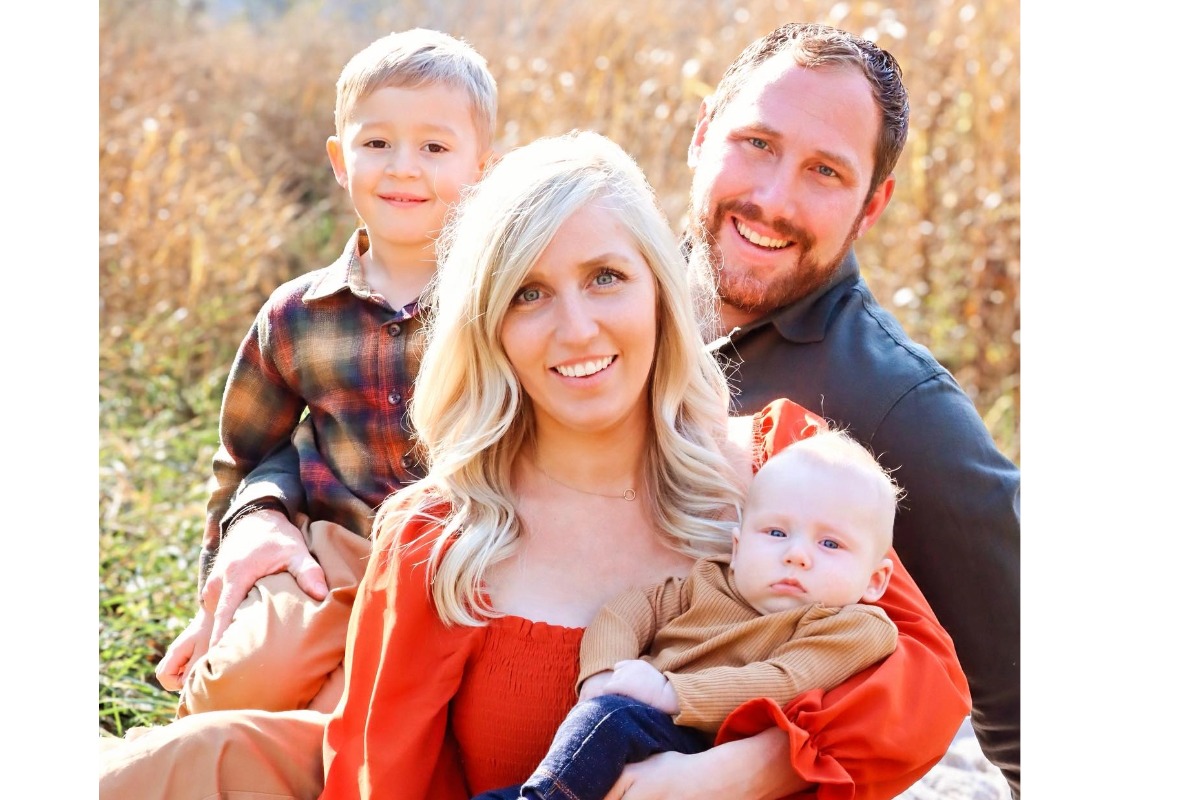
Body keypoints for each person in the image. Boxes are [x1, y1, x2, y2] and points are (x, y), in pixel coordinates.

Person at [100, 131, 969, 800]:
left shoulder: (786, 466)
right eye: (528, 293)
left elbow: (924, 686)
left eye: (605, 277)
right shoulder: (438, 538)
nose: (576, 330)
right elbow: (384, 775)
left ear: (661, 294)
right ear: (488, 329)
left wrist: (738, 772)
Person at [681, 22, 1022, 796]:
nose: (773, 199)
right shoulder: (608, 300)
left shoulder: (901, 406)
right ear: (703, 135)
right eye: (758, 143)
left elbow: (1028, 705)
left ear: (873, 206)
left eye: (825, 171)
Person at [151, 27, 497, 716]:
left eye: (434, 147)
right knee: (235, 689)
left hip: (464, 561)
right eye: (377, 144)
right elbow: (243, 458)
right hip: (332, 552)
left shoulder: (501, 305)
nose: (403, 167)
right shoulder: (296, 316)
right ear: (341, 160)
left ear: (482, 168)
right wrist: (218, 591)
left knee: (372, 712)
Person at [474, 428, 902, 800]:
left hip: (708, 751)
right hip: (642, 731)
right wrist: (602, 675)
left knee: (611, 721)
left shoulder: (853, 627)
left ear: (875, 581)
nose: (797, 556)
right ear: (737, 548)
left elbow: (783, 680)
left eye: (830, 544)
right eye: (776, 532)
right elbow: (628, 611)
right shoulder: (709, 582)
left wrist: (672, 692)